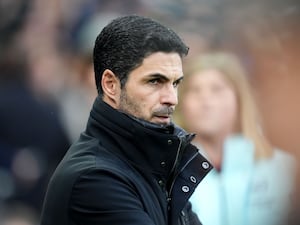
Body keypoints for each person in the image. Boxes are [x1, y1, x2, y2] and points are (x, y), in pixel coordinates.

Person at [40, 15, 212, 225]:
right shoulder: (94, 178)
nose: (172, 99)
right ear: (111, 85)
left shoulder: (158, 164)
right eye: (155, 81)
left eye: (175, 84)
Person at [174, 52, 297, 225]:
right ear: (181, 103)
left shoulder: (285, 169)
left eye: (217, 89)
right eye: (195, 90)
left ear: (239, 98)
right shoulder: (170, 173)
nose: (205, 99)